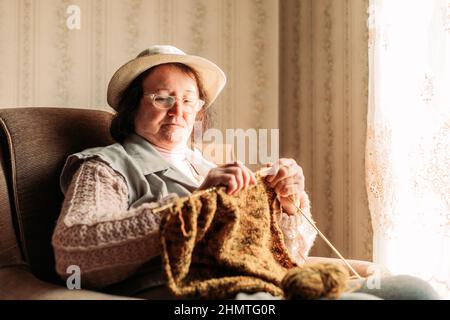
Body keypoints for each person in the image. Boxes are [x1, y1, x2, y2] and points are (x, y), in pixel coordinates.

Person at [51, 45, 439, 300]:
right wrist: (191, 206)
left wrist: (286, 205)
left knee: (416, 290)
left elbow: (284, 253)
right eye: (163, 98)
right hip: (216, 296)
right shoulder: (105, 166)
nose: (178, 110)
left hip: (268, 282)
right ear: (132, 107)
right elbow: (73, 252)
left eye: (188, 100)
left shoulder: (208, 167)